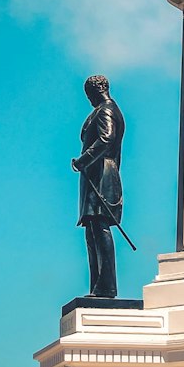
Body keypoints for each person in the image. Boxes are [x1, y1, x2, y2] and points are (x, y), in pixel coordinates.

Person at [71, 74, 125, 298]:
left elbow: (106, 139)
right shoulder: (101, 110)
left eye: (88, 94)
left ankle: (106, 286)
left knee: (99, 228)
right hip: (95, 175)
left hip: (103, 175)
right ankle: (97, 286)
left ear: (95, 91)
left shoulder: (107, 110)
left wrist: (82, 160)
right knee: (92, 232)